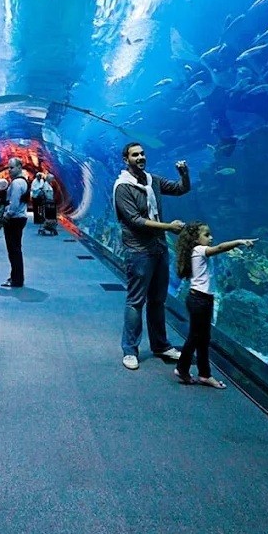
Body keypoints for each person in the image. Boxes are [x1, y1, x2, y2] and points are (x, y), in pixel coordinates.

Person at [114, 141, 191, 370]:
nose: (140, 157)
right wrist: (168, 227)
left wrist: (184, 174)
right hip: (139, 251)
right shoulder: (122, 187)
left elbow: (180, 189)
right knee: (136, 301)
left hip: (158, 249)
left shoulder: (152, 180)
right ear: (126, 159)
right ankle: (129, 350)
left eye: (142, 153)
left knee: (158, 300)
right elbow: (135, 221)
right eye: (135, 155)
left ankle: (161, 345)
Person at [174, 222, 255, 387]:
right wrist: (239, 241)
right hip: (199, 300)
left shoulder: (198, 251)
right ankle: (182, 368)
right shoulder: (198, 250)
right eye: (206, 235)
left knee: (203, 338)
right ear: (196, 239)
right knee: (196, 337)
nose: (211, 238)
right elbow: (219, 248)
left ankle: (204, 374)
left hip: (204, 299)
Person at [0, 157, 29, 287]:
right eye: (8, 167)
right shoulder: (23, 182)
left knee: (13, 251)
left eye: (12, 167)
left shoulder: (17, 183)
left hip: (14, 219)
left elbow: (14, 203)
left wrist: (6, 216)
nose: (9, 170)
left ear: (19, 167)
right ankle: (16, 277)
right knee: (16, 250)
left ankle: (16, 279)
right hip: (20, 218)